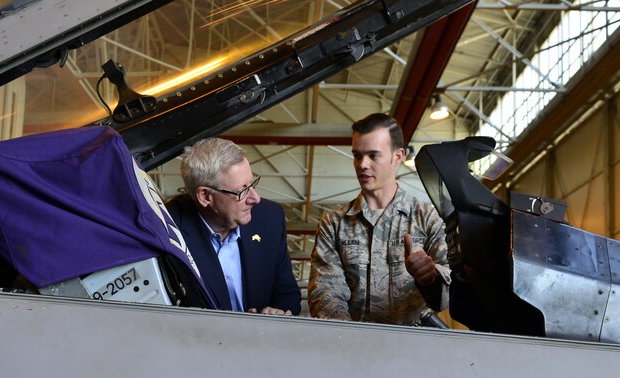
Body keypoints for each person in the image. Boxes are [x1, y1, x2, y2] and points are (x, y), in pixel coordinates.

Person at [308, 113, 449, 324]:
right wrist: (353, 337)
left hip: (413, 342)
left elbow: (449, 296)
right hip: (352, 341)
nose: (362, 165)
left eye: (373, 156)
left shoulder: (427, 219)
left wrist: (430, 277)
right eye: (357, 156)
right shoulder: (334, 224)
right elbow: (325, 292)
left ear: (398, 157)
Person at [165, 138, 301, 315]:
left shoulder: (269, 217)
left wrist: (278, 312)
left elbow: (288, 293)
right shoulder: (167, 234)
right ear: (205, 196)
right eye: (242, 190)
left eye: (252, 183)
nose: (255, 198)